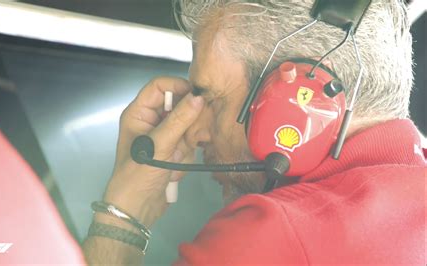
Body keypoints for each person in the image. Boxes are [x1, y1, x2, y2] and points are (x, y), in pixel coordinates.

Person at [82, 0, 426, 264]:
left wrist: (123, 214)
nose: (196, 133)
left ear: (300, 99)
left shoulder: (271, 234)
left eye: (212, 100)